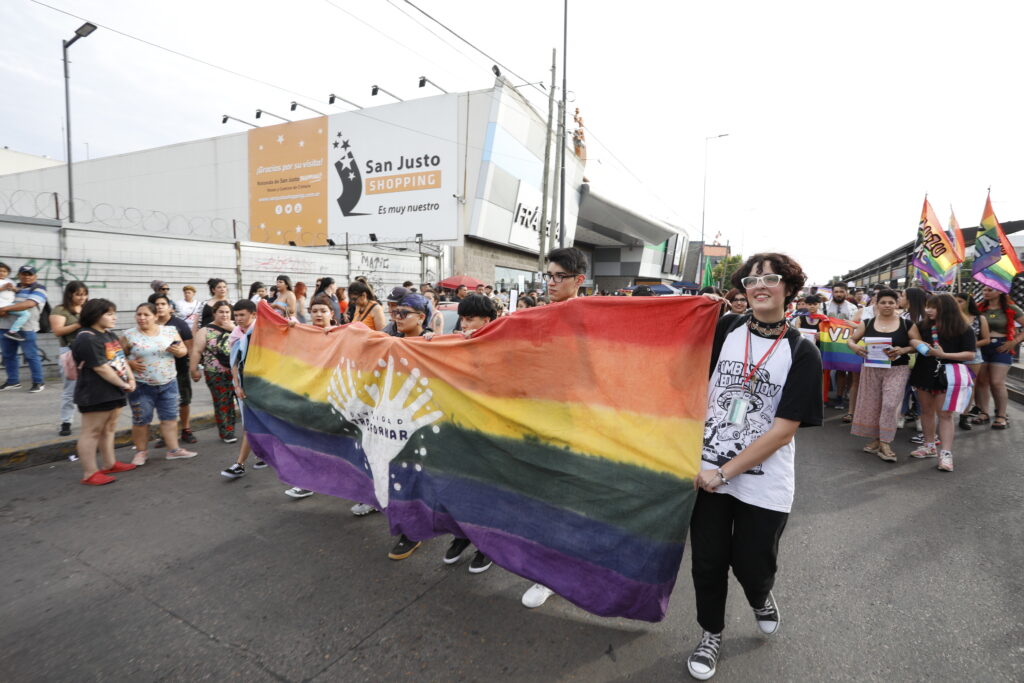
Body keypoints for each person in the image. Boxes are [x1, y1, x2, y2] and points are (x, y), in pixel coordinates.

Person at [687, 253, 822, 681]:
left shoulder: (802, 351)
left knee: (751, 563)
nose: (759, 284)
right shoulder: (724, 329)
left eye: (770, 277)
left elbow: (784, 431)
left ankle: (760, 596)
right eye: (751, 278)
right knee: (707, 562)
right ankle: (711, 632)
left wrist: (724, 472)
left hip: (761, 480)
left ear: (789, 288)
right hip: (706, 471)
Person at [521, 247, 589, 610]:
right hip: (538, 423)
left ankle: (555, 573)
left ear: (579, 280)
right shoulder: (535, 315)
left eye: (559, 276)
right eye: (547, 275)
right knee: (542, 501)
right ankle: (546, 572)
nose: (550, 282)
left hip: (578, 426)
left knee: (567, 504)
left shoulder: (594, 315)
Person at [439, 293, 497, 574]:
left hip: (490, 437)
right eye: (461, 318)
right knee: (459, 488)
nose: (463, 324)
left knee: (485, 492)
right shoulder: (455, 344)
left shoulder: (502, 347)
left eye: (469, 318)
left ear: (487, 320)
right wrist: (429, 343)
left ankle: (486, 545)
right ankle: (462, 535)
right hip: (458, 432)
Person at [70, 299, 138, 485]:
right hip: (95, 392)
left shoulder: (109, 335)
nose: (114, 317)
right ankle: (90, 472)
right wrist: (123, 384)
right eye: (109, 314)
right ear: (94, 315)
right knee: (91, 432)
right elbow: (100, 368)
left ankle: (110, 463)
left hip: (114, 389)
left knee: (109, 428)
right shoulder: (87, 338)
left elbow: (121, 359)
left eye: (113, 313)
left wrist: (130, 379)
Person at [908, 294, 976, 472]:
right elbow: (911, 337)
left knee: (945, 414)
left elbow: (970, 354)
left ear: (946, 308)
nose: (928, 310)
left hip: (949, 375)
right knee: (926, 411)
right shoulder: (923, 325)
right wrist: (916, 341)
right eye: (928, 306)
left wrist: (943, 355)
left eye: (933, 307)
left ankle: (946, 453)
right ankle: (929, 445)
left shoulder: (963, 328)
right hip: (924, 372)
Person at [847, 289, 917, 462]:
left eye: (891, 302)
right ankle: (877, 439)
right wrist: (855, 348)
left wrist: (904, 349)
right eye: (883, 302)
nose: (887, 305)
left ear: (897, 304)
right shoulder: (867, 323)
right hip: (871, 369)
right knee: (874, 404)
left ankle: (885, 442)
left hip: (897, 369)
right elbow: (851, 340)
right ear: (876, 304)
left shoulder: (907, 324)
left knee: (890, 404)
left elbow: (916, 344)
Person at [121, 303, 195, 465]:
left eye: (146, 315)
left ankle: (173, 450)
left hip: (168, 382)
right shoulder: (129, 335)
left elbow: (183, 350)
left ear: (155, 316)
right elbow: (118, 357)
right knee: (141, 420)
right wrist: (130, 364)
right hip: (141, 385)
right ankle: (141, 452)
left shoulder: (169, 331)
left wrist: (179, 351)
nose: (141, 318)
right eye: (139, 314)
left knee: (169, 418)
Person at [279, 296, 336, 496]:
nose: (318, 314)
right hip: (310, 397)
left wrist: (342, 331)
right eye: (314, 311)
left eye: (323, 310)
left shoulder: (342, 333)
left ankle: (352, 485)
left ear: (332, 314)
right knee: (309, 441)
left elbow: (363, 332)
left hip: (336, 399)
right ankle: (308, 482)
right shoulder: (304, 333)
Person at [221, 299, 268, 480]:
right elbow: (234, 363)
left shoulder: (262, 332)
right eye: (236, 315)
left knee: (255, 424)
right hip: (245, 387)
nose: (238, 319)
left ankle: (241, 463)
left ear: (254, 315)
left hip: (263, 386)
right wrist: (237, 386)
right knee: (251, 424)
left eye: (242, 315)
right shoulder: (235, 334)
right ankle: (257, 457)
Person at [148, 293, 197, 446]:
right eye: (156, 304)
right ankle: (167, 434)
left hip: (179, 369)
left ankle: (186, 429)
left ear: (170, 307)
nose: (160, 307)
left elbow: (190, 346)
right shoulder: (148, 325)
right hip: (156, 372)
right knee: (163, 404)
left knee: (183, 401)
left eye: (163, 304)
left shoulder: (179, 324)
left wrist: (192, 366)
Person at [972, 285, 1023, 430]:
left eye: (989, 290)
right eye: (984, 290)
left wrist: (1014, 342)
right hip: (982, 346)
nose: (985, 292)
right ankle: (984, 413)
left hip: (1002, 347)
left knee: (997, 382)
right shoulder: (979, 307)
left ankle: (1001, 415)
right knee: (981, 382)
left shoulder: (1012, 308)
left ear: (1000, 291)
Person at [189, 300, 238, 443]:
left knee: (238, 401)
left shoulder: (237, 328)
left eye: (227, 312)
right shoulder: (205, 331)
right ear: (214, 313)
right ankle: (227, 431)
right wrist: (194, 369)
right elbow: (197, 351)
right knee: (222, 401)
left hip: (236, 371)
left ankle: (239, 427)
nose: (224, 315)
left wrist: (233, 329)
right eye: (221, 312)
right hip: (215, 372)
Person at [49, 281, 89, 436]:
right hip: (70, 351)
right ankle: (66, 421)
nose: (82, 297)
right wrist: (79, 324)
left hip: (88, 350)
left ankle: (89, 420)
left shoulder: (87, 308)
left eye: (84, 294)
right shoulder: (60, 309)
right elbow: (58, 331)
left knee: (91, 387)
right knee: (70, 389)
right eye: (78, 294)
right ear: (70, 294)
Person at [0, 265, 47, 393]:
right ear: (19, 275)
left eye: (29, 274)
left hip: (26, 328)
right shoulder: (12, 287)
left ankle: (38, 382)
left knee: (31, 355)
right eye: (23, 274)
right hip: (4, 326)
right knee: (8, 355)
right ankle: (13, 381)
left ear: (35, 276)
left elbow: (29, 304)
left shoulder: (39, 288)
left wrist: (5, 309)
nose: (26, 276)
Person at [953, 293, 990, 430]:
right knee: (950, 385)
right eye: (955, 301)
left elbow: (986, 339)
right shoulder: (951, 318)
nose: (957, 304)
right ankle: (947, 415)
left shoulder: (980, 318)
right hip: (951, 355)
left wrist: (969, 346)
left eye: (960, 301)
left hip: (973, 357)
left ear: (969, 303)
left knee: (969, 386)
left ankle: (964, 416)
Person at [0, 262, 31, 341]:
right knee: (26, 314)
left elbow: (16, 290)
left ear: (8, 273)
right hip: (2, 306)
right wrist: (2, 288)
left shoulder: (10, 281)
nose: (2, 273)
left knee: (25, 314)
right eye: (0, 271)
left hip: (9, 305)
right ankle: (13, 331)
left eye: (4, 271)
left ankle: (12, 331)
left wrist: (14, 289)